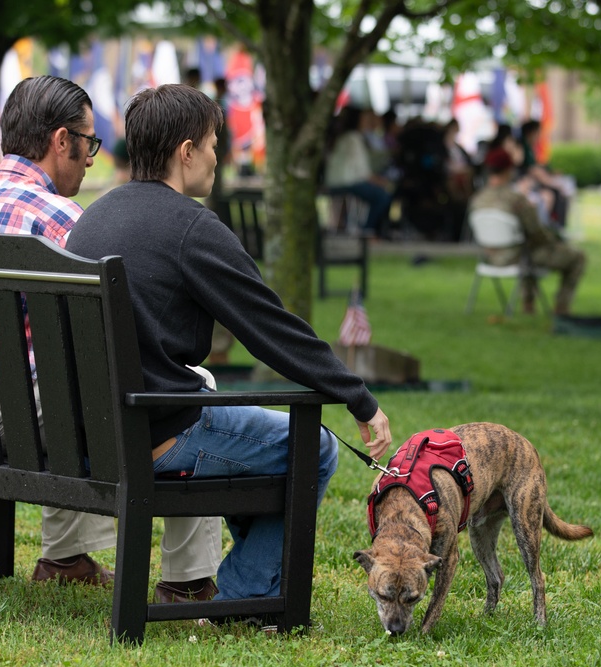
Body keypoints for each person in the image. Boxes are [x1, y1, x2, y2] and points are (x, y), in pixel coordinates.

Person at [67, 84, 392, 603]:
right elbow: (269, 329)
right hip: (153, 436)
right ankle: (242, 594)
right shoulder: (192, 227)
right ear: (186, 151)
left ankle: (235, 581)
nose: (219, 158)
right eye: (214, 144)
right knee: (318, 449)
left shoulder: (93, 217)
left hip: (83, 441)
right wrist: (358, 396)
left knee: (254, 438)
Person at [0, 76, 222, 603]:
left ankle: (67, 555)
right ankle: (188, 579)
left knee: (65, 373)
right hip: (15, 421)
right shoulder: (65, 222)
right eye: (89, 143)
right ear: (61, 141)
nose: (92, 159)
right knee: (183, 386)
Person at [470, 147, 586, 316]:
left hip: (490, 258)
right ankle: (561, 307)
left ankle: (529, 303)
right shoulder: (516, 200)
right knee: (577, 257)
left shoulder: (478, 200)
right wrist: (555, 240)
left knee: (526, 248)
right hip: (518, 258)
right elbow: (536, 232)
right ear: (509, 170)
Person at [322, 105, 394, 238]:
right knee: (382, 197)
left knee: (381, 193)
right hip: (346, 182)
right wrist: (379, 181)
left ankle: (368, 230)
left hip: (342, 180)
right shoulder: (353, 138)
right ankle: (367, 230)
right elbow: (362, 173)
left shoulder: (348, 137)